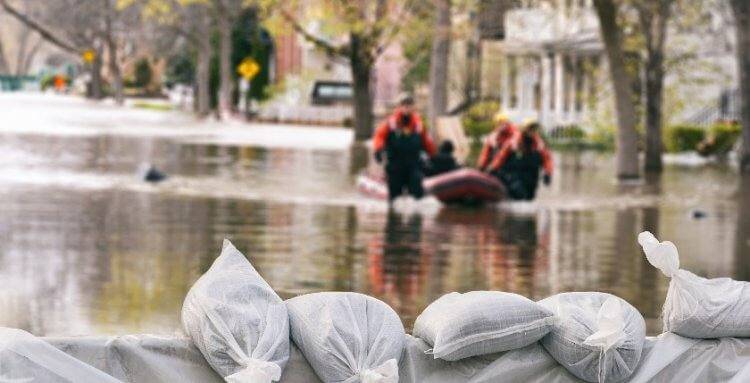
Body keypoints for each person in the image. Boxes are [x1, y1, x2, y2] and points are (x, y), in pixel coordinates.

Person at [373, 94, 436, 201]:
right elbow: (379, 136)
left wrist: (434, 156)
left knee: (417, 193)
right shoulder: (391, 123)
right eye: (404, 105)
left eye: (409, 105)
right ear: (400, 107)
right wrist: (378, 150)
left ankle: (416, 215)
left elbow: (427, 142)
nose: (407, 108)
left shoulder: (418, 124)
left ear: (413, 107)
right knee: (394, 197)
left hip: (413, 164)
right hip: (395, 165)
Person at [486, 121, 553, 200]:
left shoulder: (539, 144)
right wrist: (493, 168)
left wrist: (548, 173)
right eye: (530, 128)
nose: (532, 131)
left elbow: (547, 159)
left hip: (531, 178)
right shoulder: (513, 143)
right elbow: (501, 157)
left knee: (529, 198)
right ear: (524, 130)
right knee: (519, 194)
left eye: (534, 129)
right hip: (514, 176)